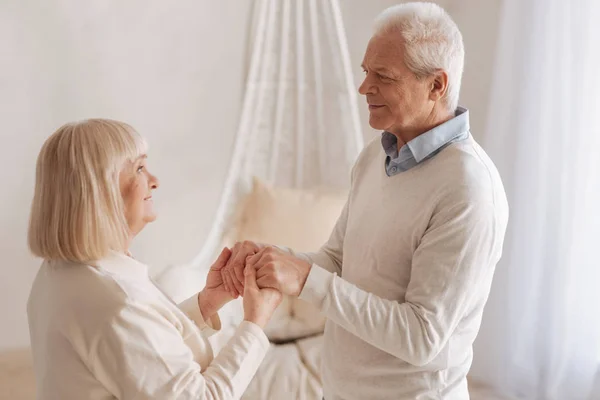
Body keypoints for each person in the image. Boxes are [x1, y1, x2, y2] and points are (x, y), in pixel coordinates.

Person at [221, 3, 509, 399]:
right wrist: (273, 258)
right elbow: (340, 261)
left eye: (383, 76)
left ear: (436, 85)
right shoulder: (377, 155)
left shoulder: (468, 189)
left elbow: (422, 337)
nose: (363, 88)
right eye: (365, 72)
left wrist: (306, 280)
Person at [26, 119, 282, 400]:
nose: (155, 180)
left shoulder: (59, 272)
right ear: (101, 192)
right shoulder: (115, 305)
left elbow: (140, 352)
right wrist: (255, 324)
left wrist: (206, 303)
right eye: (138, 168)